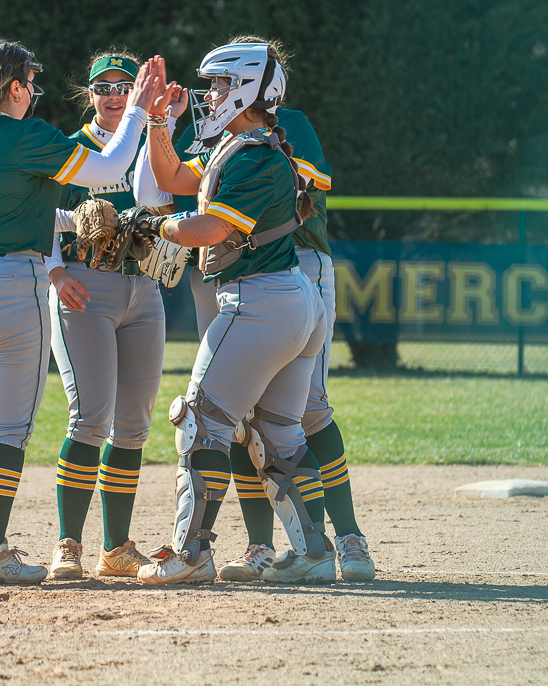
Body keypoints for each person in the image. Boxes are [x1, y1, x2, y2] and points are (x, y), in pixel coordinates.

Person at [0, 40, 174, 584]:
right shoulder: (26, 133)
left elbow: (18, 202)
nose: (34, 92)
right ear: (14, 88)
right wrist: (137, 108)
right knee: (9, 428)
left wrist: (72, 221)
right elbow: (110, 163)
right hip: (5, 283)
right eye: (30, 83)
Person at [135, 40, 375, 583]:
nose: (211, 94)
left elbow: (206, 231)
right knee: (278, 433)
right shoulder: (241, 145)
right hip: (285, 300)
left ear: (246, 88)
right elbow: (173, 180)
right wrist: (154, 122)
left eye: (221, 85)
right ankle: (315, 552)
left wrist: (149, 226)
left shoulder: (255, 154)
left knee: (200, 423)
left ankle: (191, 554)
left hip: (259, 301)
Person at [43, 51, 185, 580]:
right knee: (90, 417)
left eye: (123, 85)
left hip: (141, 286)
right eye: (101, 86)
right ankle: (68, 545)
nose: (112, 94)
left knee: (132, 426)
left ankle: (116, 547)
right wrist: (56, 275)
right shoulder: (71, 147)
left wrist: (162, 124)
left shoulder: (150, 140)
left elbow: (155, 200)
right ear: (89, 94)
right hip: (85, 286)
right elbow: (40, 219)